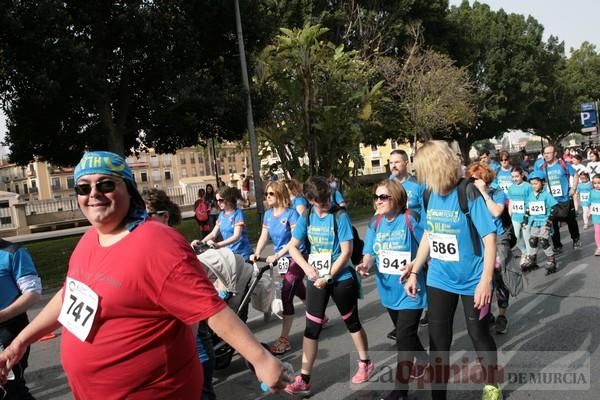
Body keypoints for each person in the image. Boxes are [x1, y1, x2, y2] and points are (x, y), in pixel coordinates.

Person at [0, 151, 289, 399]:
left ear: (127, 189)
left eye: (105, 184)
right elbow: (68, 295)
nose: (93, 194)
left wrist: (260, 358)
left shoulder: (156, 242)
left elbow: (209, 308)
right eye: (83, 188)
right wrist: (20, 342)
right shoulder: (89, 239)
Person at [405, 141, 501, 400]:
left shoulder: (467, 192)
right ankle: (439, 396)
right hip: (439, 278)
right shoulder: (428, 194)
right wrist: (415, 269)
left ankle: (492, 385)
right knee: (438, 341)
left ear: (435, 167)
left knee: (478, 334)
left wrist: (486, 281)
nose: (419, 175)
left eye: (423, 169)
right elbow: (428, 233)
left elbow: (489, 239)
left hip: (473, 280)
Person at [285, 176, 373, 396]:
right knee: (311, 328)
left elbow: (346, 252)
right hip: (316, 278)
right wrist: (308, 270)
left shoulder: (339, 216)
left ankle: (365, 363)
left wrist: (329, 276)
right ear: (311, 200)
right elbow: (293, 247)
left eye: (327, 198)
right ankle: (304, 379)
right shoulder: (306, 216)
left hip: (341, 278)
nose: (326, 203)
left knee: (352, 322)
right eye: (321, 200)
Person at [356, 180, 427, 400]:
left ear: (395, 197)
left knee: (404, 336)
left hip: (411, 289)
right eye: (376, 197)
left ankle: (400, 390)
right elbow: (370, 251)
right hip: (388, 291)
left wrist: (414, 265)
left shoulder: (410, 219)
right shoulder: (375, 223)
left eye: (383, 197)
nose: (378, 201)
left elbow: (429, 245)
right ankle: (424, 361)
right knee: (407, 334)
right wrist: (365, 263)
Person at [144, 188, 216, 400]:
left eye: (146, 216)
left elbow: (199, 301)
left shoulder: (172, 243)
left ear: (163, 216)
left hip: (190, 337)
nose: (140, 222)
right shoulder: (146, 242)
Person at [251, 181, 306, 355]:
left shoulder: (291, 214)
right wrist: (257, 252)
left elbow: (293, 241)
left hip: (296, 256)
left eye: (271, 194)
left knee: (286, 294)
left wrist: (278, 255)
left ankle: (284, 339)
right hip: (281, 258)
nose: (267, 197)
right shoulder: (267, 215)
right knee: (295, 288)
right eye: (266, 194)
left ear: (280, 194)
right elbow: (263, 236)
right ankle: (317, 312)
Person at [467, 162, 513, 335]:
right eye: (469, 178)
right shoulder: (468, 195)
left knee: (499, 278)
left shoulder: (497, 193)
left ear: (484, 179)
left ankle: (502, 315)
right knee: (481, 279)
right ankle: (486, 315)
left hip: (498, 239)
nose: (471, 182)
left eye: (475, 178)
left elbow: (496, 212)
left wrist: (484, 194)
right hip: (477, 240)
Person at [388, 149, 427, 335]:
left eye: (397, 162)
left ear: (406, 163)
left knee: (420, 272)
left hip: (416, 236)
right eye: (391, 163)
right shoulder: (387, 185)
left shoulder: (417, 185)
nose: (393, 166)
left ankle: (425, 307)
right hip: (396, 239)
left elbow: (426, 211)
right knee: (401, 275)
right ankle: (404, 321)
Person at [0, 239, 41, 400]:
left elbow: (33, 293)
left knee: (10, 388)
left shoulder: (13, 252)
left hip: (8, 330)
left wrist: (2, 315)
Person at [535, 145, 580, 252]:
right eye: (544, 153)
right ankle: (557, 245)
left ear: (555, 153)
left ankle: (575, 239)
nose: (546, 155)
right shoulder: (542, 167)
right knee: (552, 224)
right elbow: (537, 182)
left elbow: (575, 175)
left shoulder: (563, 165)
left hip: (565, 199)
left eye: (548, 153)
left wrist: (573, 188)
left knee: (571, 221)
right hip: (550, 201)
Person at [197, 186, 254, 262]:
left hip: (243, 254)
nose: (218, 203)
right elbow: (213, 234)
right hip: (230, 255)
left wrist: (218, 245)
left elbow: (236, 236)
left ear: (228, 199)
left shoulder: (238, 213)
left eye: (221, 200)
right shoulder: (221, 215)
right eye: (217, 200)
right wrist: (201, 242)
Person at [523, 171, 559, 275]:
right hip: (534, 221)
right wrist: (525, 220)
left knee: (544, 241)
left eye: (536, 183)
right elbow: (528, 209)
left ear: (542, 183)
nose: (534, 186)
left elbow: (554, 208)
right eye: (532, 183)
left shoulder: (546, 195)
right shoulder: (530, 195)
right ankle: (533, 260)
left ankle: (551, 260)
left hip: (544, 221)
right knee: (533, 240)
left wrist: (549, 221)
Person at [507, 167, 533, 268]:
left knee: (527, 236)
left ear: (522, 175)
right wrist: (510, 212)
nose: (515, 179)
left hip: (526, 215)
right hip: (515, 216)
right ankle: (524, 252)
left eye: (517, 176)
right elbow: (511, 201)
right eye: (513, 177)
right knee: (517, 236)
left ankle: (530, 257)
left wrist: (529, 213)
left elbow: (531, 200)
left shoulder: (527, 186)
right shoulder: (511, 188)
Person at [590, 174, 600, 256]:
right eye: (595, 183)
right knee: (597, 231)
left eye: (599, 183)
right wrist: (589, 212)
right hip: (596, 216)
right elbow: (590, 203)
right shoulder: (591, 192)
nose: (597, 185)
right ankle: (599, 247)